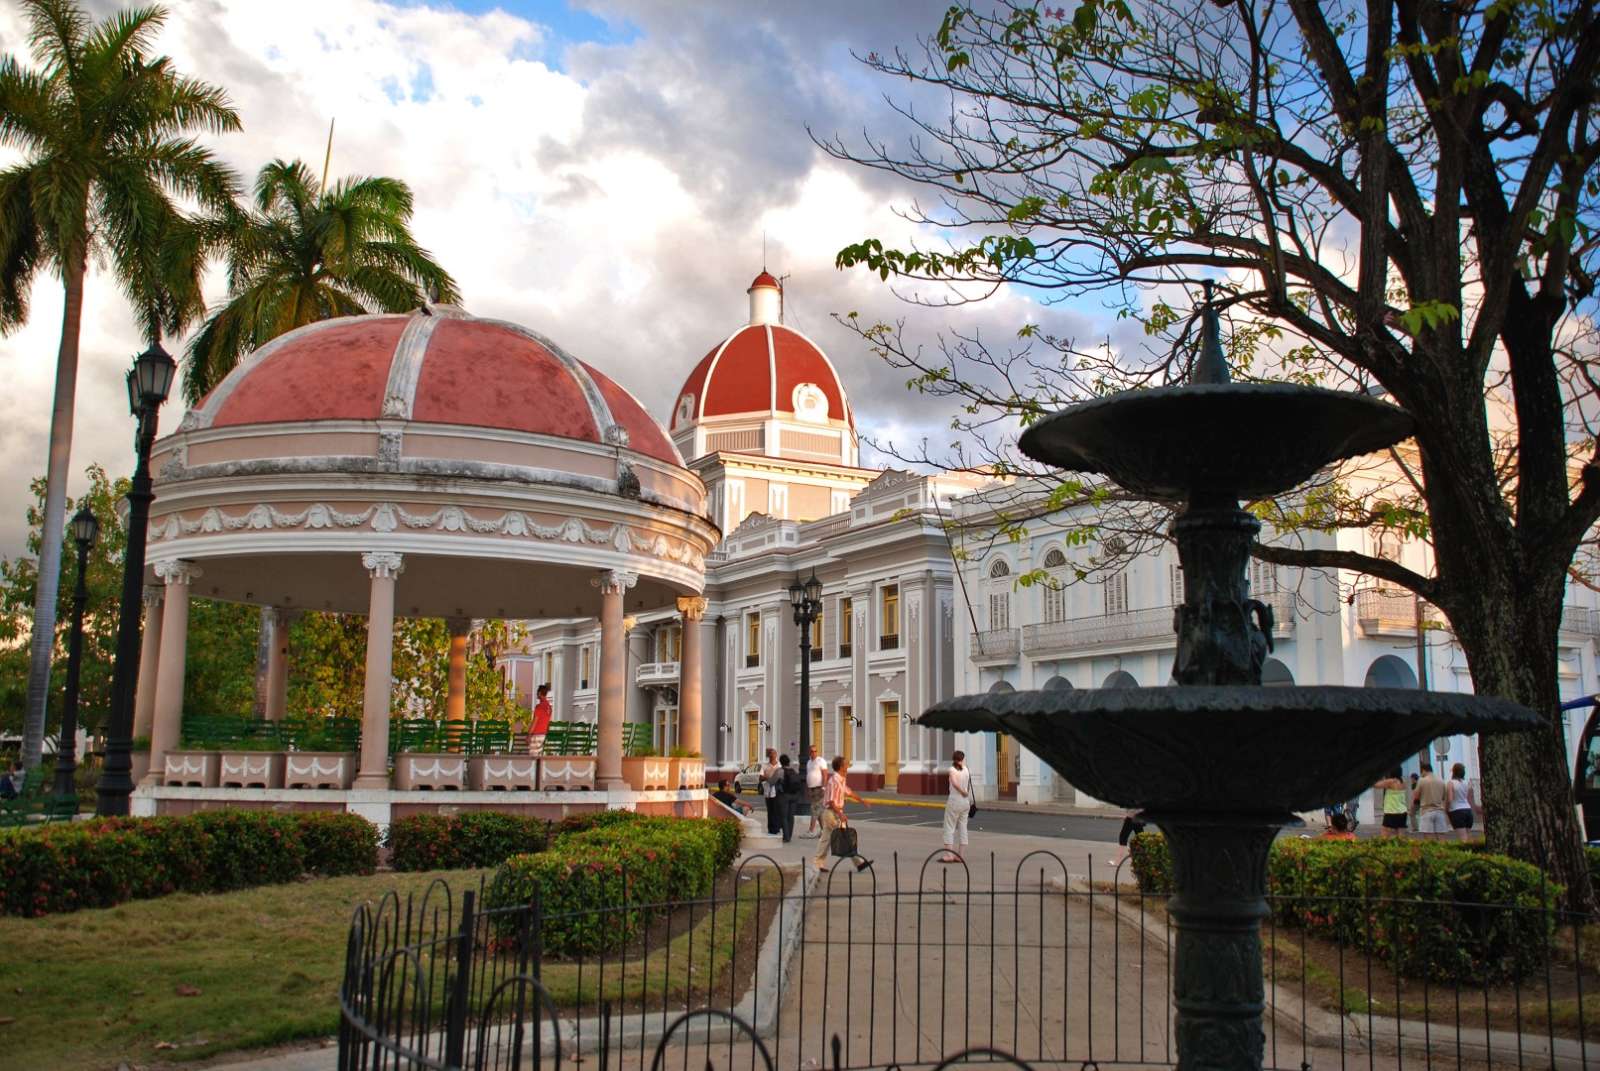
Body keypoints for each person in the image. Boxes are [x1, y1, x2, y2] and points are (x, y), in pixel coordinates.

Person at [815, 755, 872, 873]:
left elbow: (849, 792)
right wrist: (840, 814)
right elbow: (831, 801)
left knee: (826, 839)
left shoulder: (841, 779)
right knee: (845, 837)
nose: (848, 766)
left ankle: (817, 863)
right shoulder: (834, 781)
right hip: (831, 813)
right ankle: (859, 863)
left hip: (835, 812)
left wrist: (862, 801)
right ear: (841, 766)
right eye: (846, 764)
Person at [941, 750, 972, 863]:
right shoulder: (966, 770)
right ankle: (960, 856)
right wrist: (965, 792)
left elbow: (954, 782)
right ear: (962, 759)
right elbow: (967, 784)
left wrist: (961, 791)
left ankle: (949, 855)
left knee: (949, 827)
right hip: (965, 802)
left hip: (955, 800)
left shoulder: (952, 770)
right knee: (963, 828)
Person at [1413, 762, 1450, 839]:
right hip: (1439, 811)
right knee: (1441, 837)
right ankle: (1443, 851)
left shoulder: (1422, 780)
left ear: (1423, 770)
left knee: (1429, 838)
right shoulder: (1441, 780)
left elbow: (1416, 797)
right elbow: (1443, 797)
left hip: (1426, 811)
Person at [778, 753, 805, 842]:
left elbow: (774, 781)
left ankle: (786, 837)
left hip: (785, 795)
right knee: (791, 816)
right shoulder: (794, 771)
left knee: (784, 816)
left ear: (781, 762)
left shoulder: (781, 771)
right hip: (795, 795)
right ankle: (789, 834)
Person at [1374, 769, 1409, 837]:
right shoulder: (1403, 782)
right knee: (1400, 834)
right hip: (1402, 811)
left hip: (1391, 811)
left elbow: (1376, 785)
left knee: (1385, 833)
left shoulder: (1391, 781)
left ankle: (1386, 847)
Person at [1447, 761, 1475, 840]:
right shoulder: (1467, 783)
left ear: (1454, 772)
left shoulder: (1451, 783)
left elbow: (1450, 799)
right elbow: (1469, 798)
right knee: (1468, 835)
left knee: (1462, 837)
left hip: (1457, 811)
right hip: (1468, 810)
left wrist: (1447, 810)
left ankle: (1465, 852)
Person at [804, 744, 828, 838]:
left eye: (815, 751)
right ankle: (824, 831)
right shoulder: (809, 762)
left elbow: (825, 775)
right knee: (819, 811)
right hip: (811, 788)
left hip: (819, 788)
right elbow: (808, 775)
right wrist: (808, 788)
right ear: (809, 753)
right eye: (812, 751)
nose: (813, 753)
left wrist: (824, 788)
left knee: (814, 808)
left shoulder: (820, 761)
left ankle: (811, 830)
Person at [760, 747, 782, 836]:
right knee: (770, 811)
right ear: (768, 756)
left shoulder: (779, 766)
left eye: (774, 754)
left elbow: (780, 778)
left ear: (776, 755)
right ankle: (770, 828)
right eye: (770, 754)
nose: (772, 756)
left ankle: (776, 828)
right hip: (767, 791)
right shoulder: (764, 766)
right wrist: (769, 777)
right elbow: (760, 778)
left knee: (776, 810)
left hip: (777, 791)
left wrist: (768, 776)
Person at [528, 684, 553, 756]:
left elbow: (535, 721)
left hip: (536, 734)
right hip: (543, 734)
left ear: (539, 693)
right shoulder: (549, 707)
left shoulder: (539, 707)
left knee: (533, 756)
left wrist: (529, 734)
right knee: (539, 756)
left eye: (537, 692)